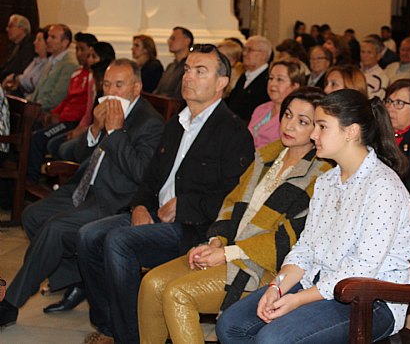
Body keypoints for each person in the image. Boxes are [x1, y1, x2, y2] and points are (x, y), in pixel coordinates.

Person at [77, 44, 254, 344]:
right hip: (155, 217)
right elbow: (151, 178)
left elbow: (235, 198)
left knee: (119, 242)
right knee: (88, 236)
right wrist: (140, 207)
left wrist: (185, 205)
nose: (188, 77)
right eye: (187, 70)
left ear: (222, 83)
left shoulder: (233, 132)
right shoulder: (176, 124)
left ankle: (131, 338)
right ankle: (111, 326)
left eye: (200, 71)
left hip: (191, 227)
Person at [216, 89, 410, 343]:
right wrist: (277, 286)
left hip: (368, 300)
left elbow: (362, 268)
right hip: (320, 283)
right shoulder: (326, 181)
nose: (313, 134)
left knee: (272, 339)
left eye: (322, 126)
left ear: (351, 131)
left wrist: (298, 299)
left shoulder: (383, 187)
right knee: (231, 325)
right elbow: (305, 247)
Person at [138, 87, 331, 344]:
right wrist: (216, 240)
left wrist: (228, 253)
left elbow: (290, 239)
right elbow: (231, 202)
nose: (290, 125)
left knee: (177, 293)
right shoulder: (267, 155)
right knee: (151, 283)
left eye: (302, 121)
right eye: (287, 115)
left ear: (318, 128)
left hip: (265, 267)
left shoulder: (321, 175)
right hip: (229, 250)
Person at [0, 59, 164, 327]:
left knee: (55, 229)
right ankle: (79, 276)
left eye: (119, 85)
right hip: (84, 187)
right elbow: (75, 154)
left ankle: (10, 304)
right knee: (32, 215)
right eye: (107, 84)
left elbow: (140, 173)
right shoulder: (108, 111)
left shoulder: (150, 123)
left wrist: (114, 131)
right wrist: (95, 130)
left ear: (137, 87)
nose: (111, 91)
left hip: (116, 200)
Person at [27, 33, 99, 182]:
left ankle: (31, 180)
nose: (79, 54)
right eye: (77, 49)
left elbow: (87, 107)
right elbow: (67, 99)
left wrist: (79, 126)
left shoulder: (92, 77)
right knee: (32, 128)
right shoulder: (77, 73)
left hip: (72, 121)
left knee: (39, 139)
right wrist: (54, 113)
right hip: (64, 118)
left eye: (83, 50)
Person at [48, 42, 116, 161]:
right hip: (88, 126)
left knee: (65, 148)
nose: (89, 60)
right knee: (54, 144)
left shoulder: (107, 82)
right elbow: (89, 111)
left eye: (94, 56)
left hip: (99, 131)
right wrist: (80, 128)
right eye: (89, 56)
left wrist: (85, 130)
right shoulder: (91, 77)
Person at [248, 61, 305, 149]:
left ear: (295, 86)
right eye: (271, 78)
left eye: (280, 79)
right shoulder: (261, 109)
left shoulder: (296, 116)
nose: (272, 83)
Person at [28, 24, 79, 114]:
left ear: (65, 42)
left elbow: (58, 96)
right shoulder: (51, 60)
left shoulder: (70, 64)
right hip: (36, 110)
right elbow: (39, 89)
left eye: (53, 37)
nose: (48, 40)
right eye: (48, 36)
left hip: (49, 114)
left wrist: (32, 107)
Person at [226, 36, 272, 121]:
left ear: (263, 55)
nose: (244, 53)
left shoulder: (269, 79)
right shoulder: (244, 76)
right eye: (244, 49)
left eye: (250, 50)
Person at [3, 27, 49, 97]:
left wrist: (14, 78)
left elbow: (32, 83)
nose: (34, 42)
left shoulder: (47, 64)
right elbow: (25, 78)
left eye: (39, 40)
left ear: (47, 44)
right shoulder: (35, 60)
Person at [154, 26, 193, 99]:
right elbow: (158, 91)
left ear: (187, 41)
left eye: (173, 38)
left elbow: (178, 97)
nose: (169, 41)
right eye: (170, 39)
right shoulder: (170, 67)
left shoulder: (190, 67)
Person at [0, 14, 34, 81]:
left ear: (22, 29)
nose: (7, 29)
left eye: (10, 26)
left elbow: (22, 70)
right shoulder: (12, 46)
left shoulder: (29, 47)